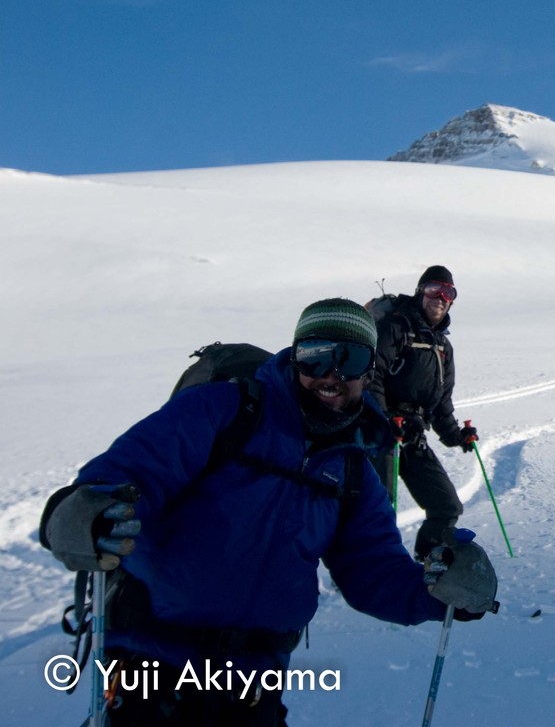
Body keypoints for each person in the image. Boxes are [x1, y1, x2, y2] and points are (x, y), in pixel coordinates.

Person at [40, 298, 498, 726]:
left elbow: (372, 571)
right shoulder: (223, 411)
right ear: (295, 356)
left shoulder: (354, 470)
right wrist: (84, 510)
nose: (331, 375)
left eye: (352, 360)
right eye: (316, 356)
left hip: (255, 676)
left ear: (369, 370)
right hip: (151, 655)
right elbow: (130, 472)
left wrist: (440, 594)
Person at [368, 265, 478, 558]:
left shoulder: (443, 347)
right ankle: (369, 568)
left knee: (447, 506)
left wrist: (458, 436)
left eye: (448, 293)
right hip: (383, 432)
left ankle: (428, 561)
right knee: (378, 506)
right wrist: (384, 419)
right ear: (421, 292)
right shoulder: (394, 328)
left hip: (413, 434)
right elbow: (372, 376)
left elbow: (441, 402)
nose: (440, 298)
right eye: (433, 290)